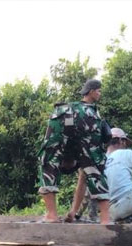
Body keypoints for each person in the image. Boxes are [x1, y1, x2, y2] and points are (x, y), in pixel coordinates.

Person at [38, 78, 111, 223]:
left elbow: (81, 179)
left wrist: (73, 212)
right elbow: (88, 173)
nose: (100, 94)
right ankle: (105, 219)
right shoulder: (92, 112)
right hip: (86, 119)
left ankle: (51, 215)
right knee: (94, 166)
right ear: (91, 91)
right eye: (99, 91)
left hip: (61, 115)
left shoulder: (70, 149)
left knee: (48, 162)